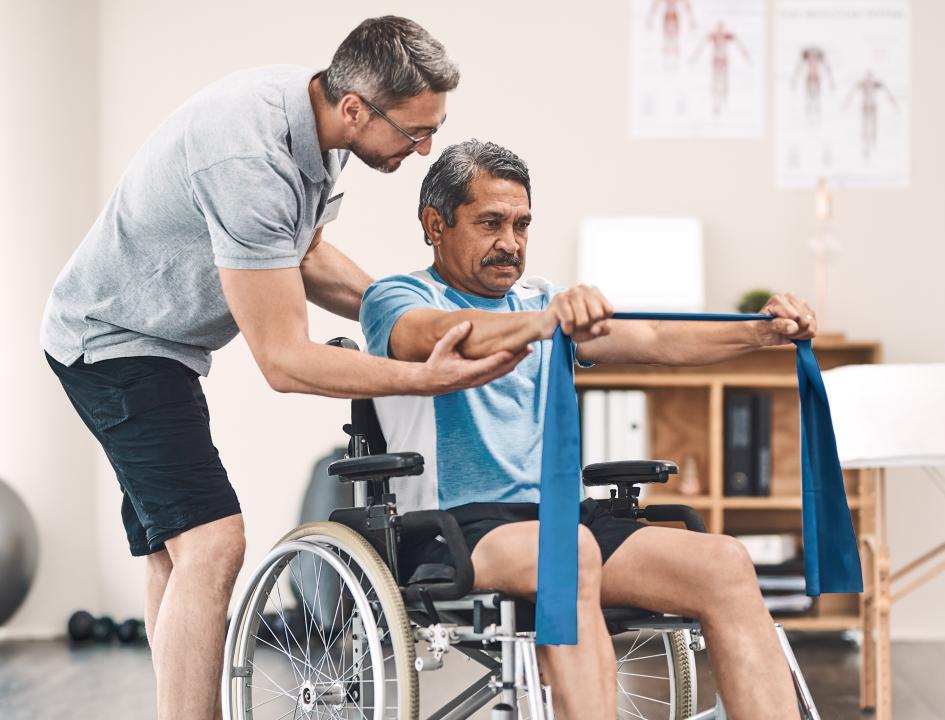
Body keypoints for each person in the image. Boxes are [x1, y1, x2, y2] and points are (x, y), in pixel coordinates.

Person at [41, 17, 526, 720]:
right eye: (414, 134)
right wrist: (427, 376)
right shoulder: (246, 157)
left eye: (434, 131)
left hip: (163, 346)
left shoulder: (321, 131)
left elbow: (300, 254)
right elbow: (285, 361)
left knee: (178, 555)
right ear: (357, 107)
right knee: (214, 543)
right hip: (114, 342)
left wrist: (404, 313)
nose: (424, 152)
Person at [360, 140, 818, 720]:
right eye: (491, 223)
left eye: (522, 224)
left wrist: (760, 332)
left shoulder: (539, 298)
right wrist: (544, 322)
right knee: (569, 552)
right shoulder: (397, 297)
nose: (511, 243)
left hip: (562, 520)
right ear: (436, 224)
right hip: (455, 528)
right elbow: (439, 335)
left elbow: (652, 337)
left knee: (723, 562)